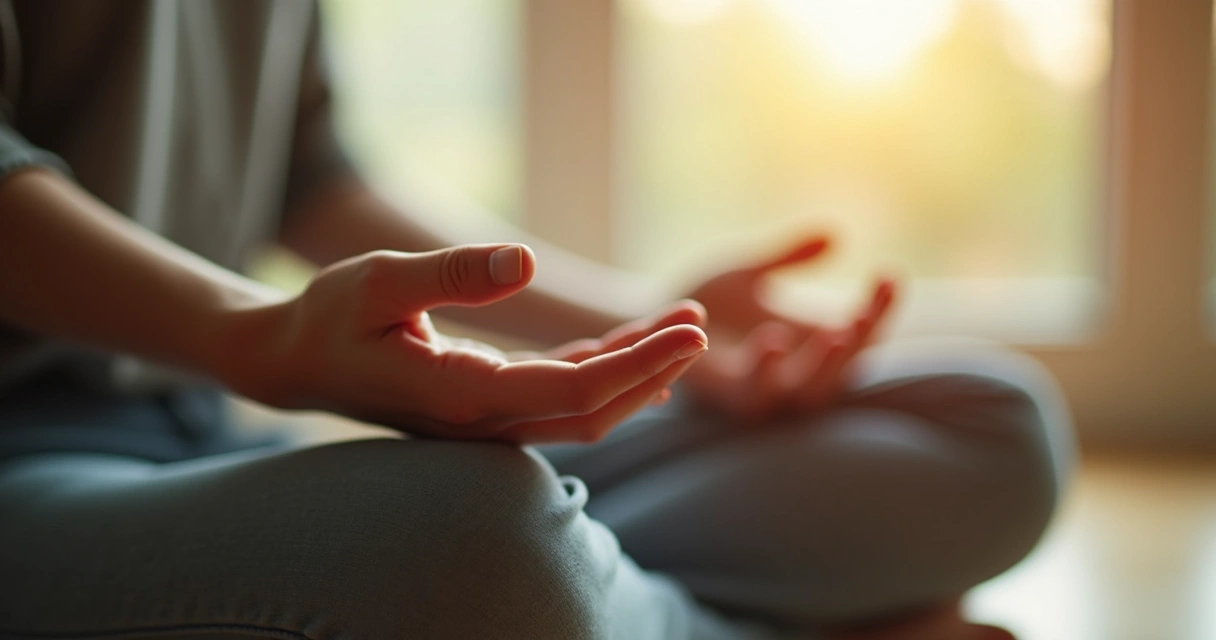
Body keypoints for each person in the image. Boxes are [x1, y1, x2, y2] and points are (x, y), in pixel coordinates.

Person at [0, 2, 1072, 639]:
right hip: (23, 477)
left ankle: (626, 609)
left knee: (989, 420)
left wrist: (669, 332)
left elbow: (310, 176)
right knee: (479, 542)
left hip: (195, 443)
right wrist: (254, 338)